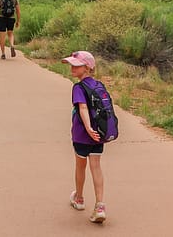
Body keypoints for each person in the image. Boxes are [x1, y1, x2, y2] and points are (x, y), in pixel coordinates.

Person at [62, 50, 107, 224]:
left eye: (76, 65)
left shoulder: (79, 88)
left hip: (82, 134)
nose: (72, 68)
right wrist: (95, 131)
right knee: (96, 167)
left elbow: (82, 108)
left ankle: (79, 198)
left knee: (80, 166)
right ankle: (100, 206)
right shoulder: (99, 86)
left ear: (87, 67)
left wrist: (87, 128)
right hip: (99, 135)